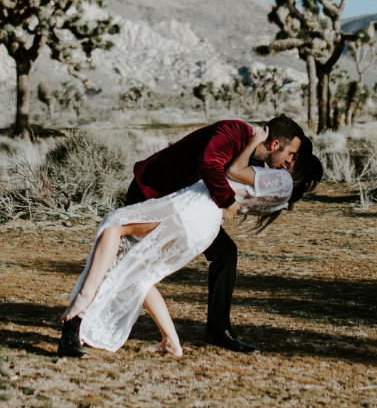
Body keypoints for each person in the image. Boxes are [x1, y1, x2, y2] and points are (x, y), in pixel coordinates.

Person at [57, 114, 311, 357]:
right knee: (123, 267)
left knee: (222, 253)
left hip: (188, 212)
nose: (289, 162)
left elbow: (246, 183)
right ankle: (77, 326)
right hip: (153, 193)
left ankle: (216, 331)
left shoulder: (254, 160)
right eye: (290, 154)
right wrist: (229, 201)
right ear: (275, 144)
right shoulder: (235, 131)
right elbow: (210, 163)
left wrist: (231, 202)